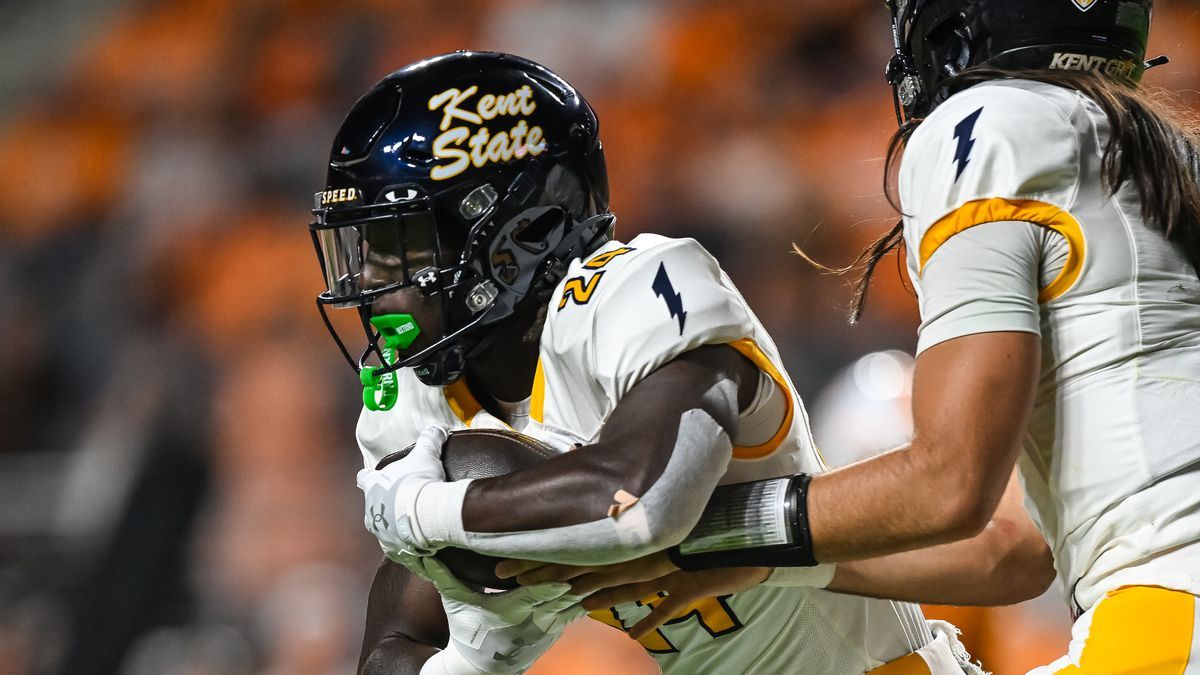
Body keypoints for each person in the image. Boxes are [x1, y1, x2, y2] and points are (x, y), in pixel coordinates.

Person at [516, 1, 1200, 671]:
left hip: (1168, 608)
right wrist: (754, 558)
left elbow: (949, 481)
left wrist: (694, 532)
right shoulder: (1163, 152)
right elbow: (1011, 547)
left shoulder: (990, 123)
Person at [308, 51, 984, 674]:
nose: (368, 281)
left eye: (399, 246)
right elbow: (395, 647)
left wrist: (434, 509)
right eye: (363, 249)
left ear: (518, 235)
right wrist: (476, 656)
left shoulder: (636, 291)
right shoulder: (421, 398)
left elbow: (637, 504)